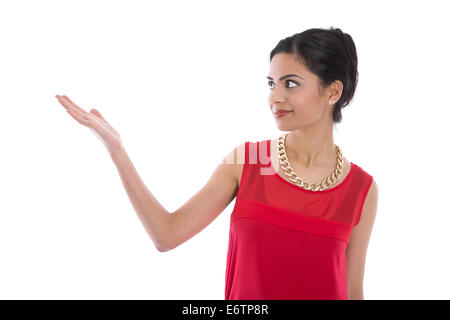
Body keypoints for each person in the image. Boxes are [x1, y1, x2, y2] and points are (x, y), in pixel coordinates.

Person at [55, 26, 378, 300]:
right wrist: (116, 149)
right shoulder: (248, 161)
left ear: (332, 91)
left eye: (290, 83)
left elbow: (352, 291)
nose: (274, 97)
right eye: (271, 83)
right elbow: (167, 235)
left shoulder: (361, 189)